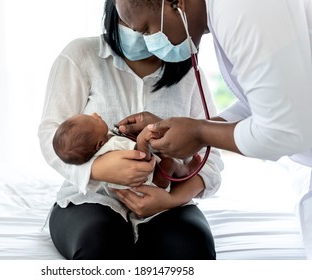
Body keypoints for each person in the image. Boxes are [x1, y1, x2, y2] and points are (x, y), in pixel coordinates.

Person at [114, 0, 312, 258]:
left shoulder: (243, 8)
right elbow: (261, 105)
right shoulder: (226, 12)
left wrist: (199, 133)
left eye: (147, 30)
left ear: (175, 3)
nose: (151, 43)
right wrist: (191, 130)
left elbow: (282, 132)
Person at [38, 0, 223, 260]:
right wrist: (99, 169)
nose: (138, 30)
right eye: (130, 23)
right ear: (115, 13)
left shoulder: (190, 75)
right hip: (92, 198)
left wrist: (171, 200)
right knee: (100, 243)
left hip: (165, 201)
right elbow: (51, 136)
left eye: (147, 26)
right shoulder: (81, 55)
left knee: (192, 247)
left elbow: (210, 160)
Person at [52, 112, 199, 189]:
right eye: (94, 120)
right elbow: (141, 160)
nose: (95, 114)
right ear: (100, 144)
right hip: (151, 181)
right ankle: (187, 170)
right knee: (170, 163)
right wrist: (141, 140)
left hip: (134, 185)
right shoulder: (114, 145)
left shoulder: (100, 147)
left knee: (162, 155)